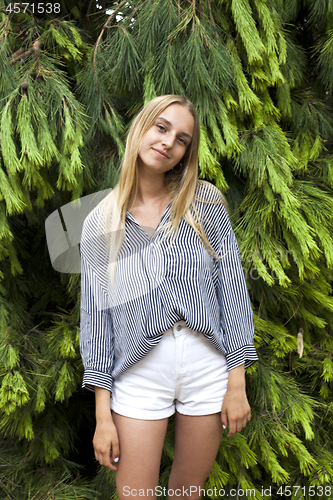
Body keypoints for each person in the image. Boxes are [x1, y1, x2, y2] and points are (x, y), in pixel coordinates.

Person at [80, 95, 258, 500]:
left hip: (206, 368)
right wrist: (102, 416)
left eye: (182, 139)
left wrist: (237, 380)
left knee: (186, 495)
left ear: (185, 154)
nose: (168, 142)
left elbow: (231, 291)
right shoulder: (99, 222)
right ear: (141, 128)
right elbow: (96, 323)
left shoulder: (204, 203)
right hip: (139, 374)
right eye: (161, 127)